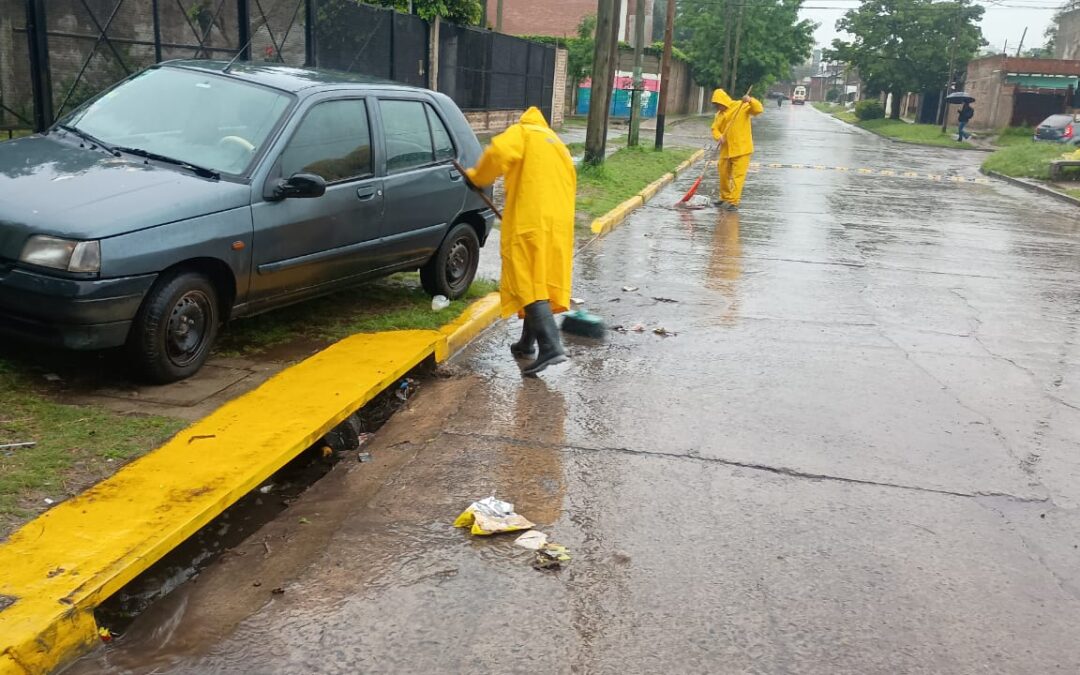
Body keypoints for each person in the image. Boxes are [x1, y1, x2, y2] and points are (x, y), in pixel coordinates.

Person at [465, 107, 575, 376]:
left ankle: (550, 346)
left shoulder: (523, 133)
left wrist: (476, 178)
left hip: (530, 219)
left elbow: (497, 153)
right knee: (540, 278)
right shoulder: (557, 143)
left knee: (524, 277)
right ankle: (527, 344)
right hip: (558, 223)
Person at [711, 88, 764, 211]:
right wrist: (719, 137)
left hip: (742, 149)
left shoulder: (741, 106)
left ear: (723, 102)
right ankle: (724, 197)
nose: (718, 107)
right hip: (726, 150)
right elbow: (714, 129)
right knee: (723, 174)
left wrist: (750, 100)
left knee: (737, 176)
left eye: (718, 104)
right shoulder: (719, 115)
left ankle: (733, 202)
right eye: (716, 105)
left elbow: (758, 109)